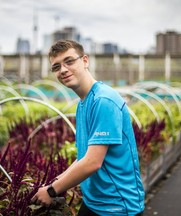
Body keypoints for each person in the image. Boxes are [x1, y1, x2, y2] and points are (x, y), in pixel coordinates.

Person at [31, 39, 145, 215]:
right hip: (95, 202)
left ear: (85, 61)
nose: (63, 70)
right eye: (56, 67)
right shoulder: (84, 103)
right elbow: (84, 156)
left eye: (69, 61)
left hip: (118, 206)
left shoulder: (103, 100)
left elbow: (92, 163)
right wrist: (53, 184)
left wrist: (52, 191)